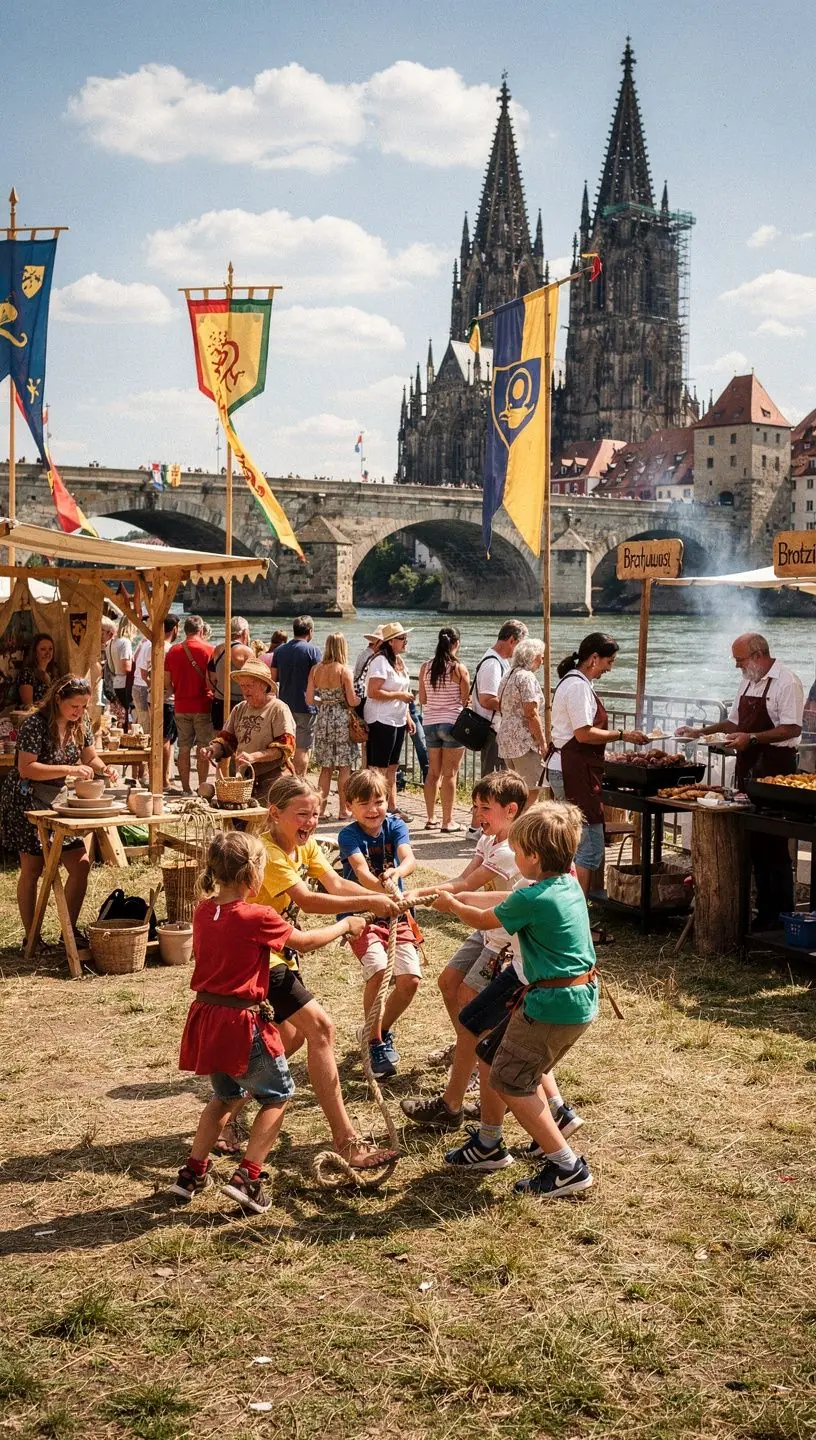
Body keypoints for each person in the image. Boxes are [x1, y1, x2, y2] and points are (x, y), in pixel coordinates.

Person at [171, 830, 366, 1213]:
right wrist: (347, 925)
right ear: (254, 876)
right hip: (241, 1021)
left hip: (207, 1018)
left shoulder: (202, 909)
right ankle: (249, 1177)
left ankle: (192, 1172)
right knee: (277, 1097)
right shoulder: (257, 916)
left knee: (225, 1096)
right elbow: (305, 941)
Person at [217, 775, 401, 1170]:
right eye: (302, 814)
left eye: (316, 813)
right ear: (275, 813)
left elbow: (333, 881)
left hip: (277, 958)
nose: (311, 822)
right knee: (321, 1029)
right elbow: (309, 900)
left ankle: (224, 1116)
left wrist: (383, 898)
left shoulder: (306, 847)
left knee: (290, 1038)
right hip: (264, 961)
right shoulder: (267, 852)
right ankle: (346, 1141)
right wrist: (372, 902)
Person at [432, 802, 597, 1197]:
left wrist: (453, 905)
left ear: (535, 856)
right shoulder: (565, 883)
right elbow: (504, 901)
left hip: (551, 1004)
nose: (514, 856)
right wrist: (464, 896)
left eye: (519, 851)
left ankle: (566, 1165)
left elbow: (486, 920)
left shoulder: (534, 898)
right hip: (574, 1000)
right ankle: (490, 1144)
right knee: (490, 1055)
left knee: (510, 1080)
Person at [401, 770, 528, 1127]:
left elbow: (466, 884)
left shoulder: (507, 850)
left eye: (485, 808)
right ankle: (466, 1051)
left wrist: (418, 895)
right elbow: (464, 876)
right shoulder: (489, 841)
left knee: (472, 1001)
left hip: (502, 937)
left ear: (512, 810)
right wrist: (422, 894)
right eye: (475, 807)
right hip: (485, 929)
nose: (477, 816)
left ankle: (467, 1068)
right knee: (448, 983)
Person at [677, 632, 804, 930]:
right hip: (748, 768)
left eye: (740, 660)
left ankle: (781, 914)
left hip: (776, 769)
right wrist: (699, 732)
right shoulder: (748, 679)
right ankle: (763, 912)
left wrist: (754, 737)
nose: (737, 667)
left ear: (757, 655)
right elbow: (734, 723)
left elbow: (792, 728)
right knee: (754, 841)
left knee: (774, 842)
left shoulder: (787, 682)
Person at [0, 676, 118, 943]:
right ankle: (32, 937)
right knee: (33, 869)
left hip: (55, 799)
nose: (79, 712)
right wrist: (69, 769)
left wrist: (103, 768)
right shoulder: (35, 724)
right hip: (26, 799)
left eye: (84, 706)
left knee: (80, 866)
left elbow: (90, 756)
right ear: (58, 699)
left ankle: (68, 930)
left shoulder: (80, 723)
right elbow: (26, 768)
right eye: (74, 706)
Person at [549, 632, 647, 926]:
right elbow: (583, 733)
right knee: (587, 845)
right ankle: (576, 918)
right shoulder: (577, 686)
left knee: (573, 843)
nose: (610, 668)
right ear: (594, 659)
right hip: (572, 768)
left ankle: (567, 911)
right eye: (609, 661)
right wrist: (622, 735)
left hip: (572, 766)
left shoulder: (575, 682)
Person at [338, 769, 419, 1079]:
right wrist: (381, 888)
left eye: (379, 801)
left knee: (410, 979)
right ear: (350, 807)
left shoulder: (395, 825)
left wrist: (397, 875)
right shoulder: (348, 836)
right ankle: (375, 1042)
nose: (373, 810)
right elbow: (361, 873)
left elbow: (408, 859)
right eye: (364, 804)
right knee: (377, 969)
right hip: (362, 915)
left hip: (396, 912)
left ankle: (378, 1030)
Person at [206, 660, 295, 803]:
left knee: (267, 821)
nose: (245, 690)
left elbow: (285, 748)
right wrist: (213, 749)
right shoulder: (240, 708)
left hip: (271, 778)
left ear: (264, 685)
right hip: (242, 779)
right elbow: (227, 741)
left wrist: (254, 757)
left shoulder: (278, 709)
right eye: (242, 686)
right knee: (238, 821)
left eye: (249, 685)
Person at [418, 627, 470, 832]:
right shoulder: (458, 669)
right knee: (450, 774)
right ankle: (448, 821)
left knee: (433, 773)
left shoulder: (425, 667)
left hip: (430, 722)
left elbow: (422, 699)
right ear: (456, 643)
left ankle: (431, 818)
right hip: (452, 723)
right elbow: (465, 700)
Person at [305, 632, 360, 819]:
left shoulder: (316, 670)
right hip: (342, 719)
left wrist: (324, 703)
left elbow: (310, 699)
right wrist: (358, 700)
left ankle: (319, 809)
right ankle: (343, 810)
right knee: (344, 766)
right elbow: (352, 700)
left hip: (323, 719)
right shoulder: (344, 671)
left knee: (325, 768)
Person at [364, 622, 416, 813]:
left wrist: (408, 716)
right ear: (391, 642)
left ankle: (391, 807)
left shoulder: (399, 661)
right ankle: (373, 805)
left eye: (405, 638)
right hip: (381, 719)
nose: (406, 641)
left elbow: (404, 690)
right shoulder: (379, 661)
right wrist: (399, 697)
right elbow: (373, 691)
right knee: (378, 769)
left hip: (398, 719)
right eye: (402, 638)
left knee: (392, 767)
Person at [469, 620, 529, 785]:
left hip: (497, 730)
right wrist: (517, 708)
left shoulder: (498, 661)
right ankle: (482, 809)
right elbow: (487, 700)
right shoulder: (492, 664)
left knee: (498, 780)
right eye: (520, 645)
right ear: (511, 640)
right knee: (492, 781)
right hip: (493, 731)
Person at [165, 615, 214, 794]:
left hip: (180, 706)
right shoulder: (209, 650)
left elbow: (166, 683)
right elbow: (213, 681)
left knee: (183, 748)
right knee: (203, 748)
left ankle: (185, 789)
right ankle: (202, 787)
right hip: (203, 705)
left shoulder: (173, 651)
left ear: (184, 631)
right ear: (201, 630)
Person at [270, 616, 321, 776]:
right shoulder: (313, 651)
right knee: (303, 749)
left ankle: (286, 781)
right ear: (310, 632)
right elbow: (317, 679)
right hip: (307, 705)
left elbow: (272, 678)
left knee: (285, 747)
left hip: (284, 705)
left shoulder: (279, 651)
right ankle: (300, 782)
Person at [497, 638, 548, 787]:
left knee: (517, 787)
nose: (543, 660)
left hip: (507, 739)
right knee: (532, 789)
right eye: (541, 655)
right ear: (532, 656)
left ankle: (515, 810)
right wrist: (542, 742)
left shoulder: (509, 675)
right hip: (523, 741)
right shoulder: (527, 677)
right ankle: (524, 811)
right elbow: (531, 714)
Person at [208, 616, 254, 730]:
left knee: (219, 742)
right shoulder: (246, 651)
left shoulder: (218, 649)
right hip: (240, 704)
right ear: (244, 632)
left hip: (219, 701)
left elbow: (212, 679)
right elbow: (255, 678)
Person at [106, 616, 135, 729]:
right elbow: (126, 667)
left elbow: (112, 666)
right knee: (128, 716)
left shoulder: (112, 642)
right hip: (124, 682)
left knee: (122, 717)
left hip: (116, 681)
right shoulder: (125, 642)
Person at [17, 634, 58, 708]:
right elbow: (28, 706)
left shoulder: (53, 673)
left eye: (50, 649)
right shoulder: (27, 673)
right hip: (36, 717)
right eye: (43, 649)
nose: (48, 653)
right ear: (35, 652)